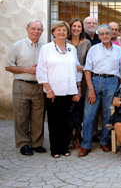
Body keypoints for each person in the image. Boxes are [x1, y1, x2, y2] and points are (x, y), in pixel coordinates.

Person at [78, 24, 121, 157]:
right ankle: (86, 145)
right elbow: (87, 69)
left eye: (107, 33)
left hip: (112, 82)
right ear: (98, 36)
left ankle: (104, 141)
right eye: (102, 33)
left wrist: (116, 88)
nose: (104, 36)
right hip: (94, 81)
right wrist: (91, 89)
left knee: (108, 113)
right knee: (89, 115)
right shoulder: (93, 49)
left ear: (112, 35)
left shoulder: (118, 50)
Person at [36, 21, 82, 158]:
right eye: (59, 30)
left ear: (67, 33)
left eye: (64, 30)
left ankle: (64, 147)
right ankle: (55, 149)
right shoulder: (46, 48)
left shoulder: (71, 49)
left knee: (67, 122)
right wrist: (48, 90)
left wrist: (77, 90)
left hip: (69, 91)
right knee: (54, 121)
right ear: (53, 32)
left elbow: (77, 69)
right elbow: (41, 70)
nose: (62, 32)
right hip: (53, 92)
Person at [5, 20, 47, 156]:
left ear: (42, 31)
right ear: (27, 29)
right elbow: (8, 66)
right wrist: (26, 70)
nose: (36, 31)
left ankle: (36, 143)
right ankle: (23, 144)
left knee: (38, 117)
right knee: (21, 116)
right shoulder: (17, 46)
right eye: (33, 28)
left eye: (39, 29)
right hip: (21, 84)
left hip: (39, 86)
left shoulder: (45, 47)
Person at [67, 18, 91, 149]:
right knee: (68, 110)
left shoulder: (86, 43)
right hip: (66, 80)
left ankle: (78, 137)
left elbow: (89, 62)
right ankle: (70, 137)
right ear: (70, 27)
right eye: (74, 26)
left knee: (79, 110)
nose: (76, 28)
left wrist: (80, 67)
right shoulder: (64, 42)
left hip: (82, 81)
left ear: (82, 29)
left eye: (79, 26)